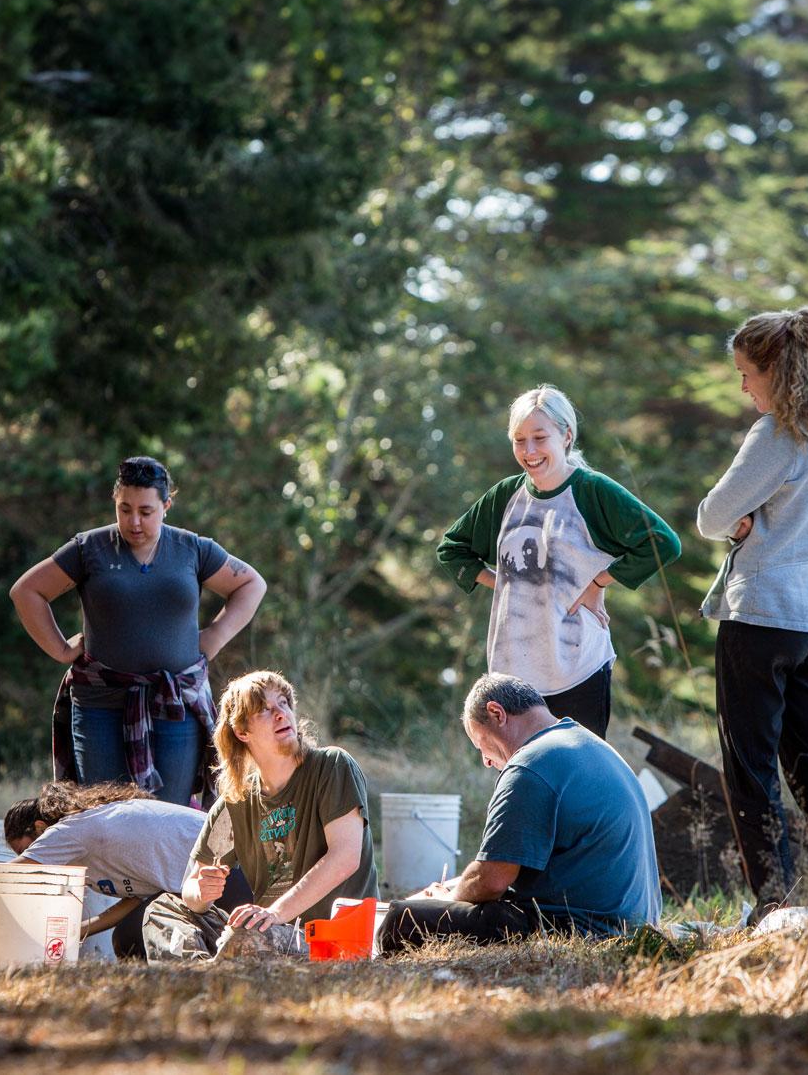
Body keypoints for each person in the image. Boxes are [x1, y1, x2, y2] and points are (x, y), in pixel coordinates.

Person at [696, 306, 808, 919]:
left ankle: (776, 904)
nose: (743, 386)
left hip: (762, 619)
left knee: (749, 768)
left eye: (748, 373)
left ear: (778, 371)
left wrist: (744, 520)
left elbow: (711, 517)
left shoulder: (779, 436)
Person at [10, 455, 267, 807]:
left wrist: (215, 636)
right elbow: (27, 591)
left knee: (172, 814)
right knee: (103, 813)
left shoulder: (192, 549)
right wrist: (59, 649)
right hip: (100, 705)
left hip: (175, 703)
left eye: (146, 512)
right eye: (124, 509)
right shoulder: (90, 549)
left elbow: (252, 584)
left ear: (166, 505)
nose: (134, 522)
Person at [437, 385, 681, 738]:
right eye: (519, 440)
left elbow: (662, 542)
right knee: (523, 777)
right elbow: (452, 548)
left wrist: (599, 583)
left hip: (577, 666)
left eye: (540, 437)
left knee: (577, 776)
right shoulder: (506, 496)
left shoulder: (592, 491)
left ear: (566, 436)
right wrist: (505, 582)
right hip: (512, 672)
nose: (529, 450)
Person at [381, 674, 661, 952]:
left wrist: (449, 897)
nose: (486, 761)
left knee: (400, 919)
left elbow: (493, 880)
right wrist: (454, 887)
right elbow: (515, 866)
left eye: (481, 745)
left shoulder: (530, 766)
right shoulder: (587, 745)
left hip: (583, 930)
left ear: (496, 713)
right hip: (633, 926)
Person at [142, 669, 378, 960]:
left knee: (248, 934)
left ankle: (215, 977)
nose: (280, 713)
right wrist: (201, 892)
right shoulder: (235, 803)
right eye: (264, 710)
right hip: (266, 929)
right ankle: (202, 976)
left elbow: (346, 858)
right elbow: (190, 889)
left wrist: (274, 913)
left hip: (328, 938)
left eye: (283, 703)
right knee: (163, 910)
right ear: (242, 732)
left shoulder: (332, 766)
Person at [0, 780, 252, 958]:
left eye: (25, 850)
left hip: (234, 868)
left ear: (40, 828)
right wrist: (78, 930)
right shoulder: (87, 851)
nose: (30, 859)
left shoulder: (70, 832)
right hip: (200, 884)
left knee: (246, 949)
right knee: (129, 938)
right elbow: (137, 898)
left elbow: (3, 879)